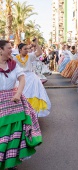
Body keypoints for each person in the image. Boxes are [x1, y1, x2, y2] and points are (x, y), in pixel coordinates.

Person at [0, 40, 42, 170]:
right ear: (0, 50)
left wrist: (18, 93)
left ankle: (11, 162)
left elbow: (22, 79)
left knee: (15, 133)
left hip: (14, 101)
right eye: (8, 48)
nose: (11, 50)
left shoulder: (13, 65)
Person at [13, 39, 51, 117]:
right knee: (21, 95)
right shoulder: (15, 58)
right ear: (20, 50)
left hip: (31, 78)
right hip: (20, 79)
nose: (27, 50)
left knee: (33, 95)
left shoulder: (30, 56)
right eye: (25, 49)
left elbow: (40, 52)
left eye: (27, 49)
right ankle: (22, 113)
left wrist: (36, 43)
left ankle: (32, 114)